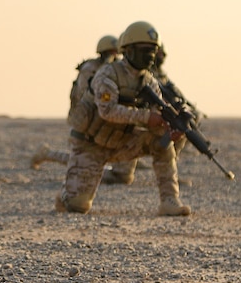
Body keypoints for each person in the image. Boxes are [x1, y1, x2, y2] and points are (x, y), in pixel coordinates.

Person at [57, 21, 191, 216]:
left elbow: (157, 115)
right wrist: (146, 117)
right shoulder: (108, 74)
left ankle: (170, 200)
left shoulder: (149, 81)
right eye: (145, 50)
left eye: (153, 50)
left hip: (121, 142)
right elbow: (107, 111)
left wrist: (171, 128)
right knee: (78, 206)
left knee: (162, 142)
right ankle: (65, 197)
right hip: (91, 144)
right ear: (128, 50)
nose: (150, 55)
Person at [31, 34, 138, 182]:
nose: (115, 57)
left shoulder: (114, 70)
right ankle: (47, 154)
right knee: (84, 160)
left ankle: (120, 168)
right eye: (111, 53)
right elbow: (85, 96)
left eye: (116, 53)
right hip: (87, 119)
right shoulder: (90, 69)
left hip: (103, 116)